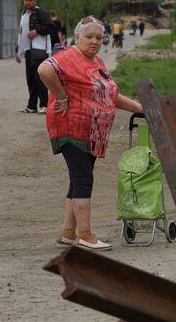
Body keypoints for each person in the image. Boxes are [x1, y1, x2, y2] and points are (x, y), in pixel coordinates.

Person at [38, 15, 143, 251]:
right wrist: (62, 96)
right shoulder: (68, 56)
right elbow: (44, 70)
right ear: (77, 37)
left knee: (78, 180)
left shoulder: (96, 61)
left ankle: (68, 233)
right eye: (89, 37)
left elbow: (109, 95)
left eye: (99, 37)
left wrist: (137, 107)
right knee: (84, 179)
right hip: (71, 128)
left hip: (92, 132)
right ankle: (85, 234)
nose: (94, 41)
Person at [15, 0, 52, 114]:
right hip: (28, 50)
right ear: (23, 1)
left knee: (40, 79)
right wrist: (18, 52)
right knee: (30, 79)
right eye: (26, 0)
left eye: (30, 0)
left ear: (34, 1)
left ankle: (44, 105)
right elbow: (21, 34)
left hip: (40, 50)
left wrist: (37, 31)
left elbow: (50, 27)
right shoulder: (24, 15)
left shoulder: (39, 13)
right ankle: (31, 106)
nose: (28, 2)